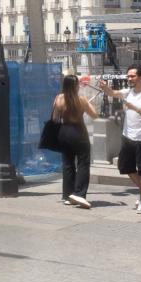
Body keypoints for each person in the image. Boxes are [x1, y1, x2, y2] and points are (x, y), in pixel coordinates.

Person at [99, 65, 141, 214]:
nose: (129, 79)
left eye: (132, 76)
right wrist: (105, 87)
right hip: (128, 138)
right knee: (125, 167)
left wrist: (136, 109)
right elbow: (113, 93)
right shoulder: (127, 92)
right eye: (128, 76)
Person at [50, 74, 99, 208]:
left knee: (67, 164)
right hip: (79, 133)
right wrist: (90, 102)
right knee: (83, 163)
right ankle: (79, 194)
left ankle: (67, 195)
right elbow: (95, 115)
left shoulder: (59, 99)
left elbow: (54, 119)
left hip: (64, 132)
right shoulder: (81, 100)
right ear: (76, 85)